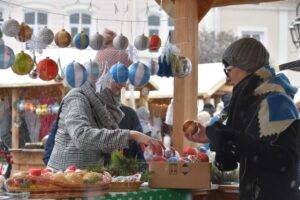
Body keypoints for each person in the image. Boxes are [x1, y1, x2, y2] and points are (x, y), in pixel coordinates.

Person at [185, 38, 300, 200]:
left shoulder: (276, 101)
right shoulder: (254, 100)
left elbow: (284, 160)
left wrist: (233, 137)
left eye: (228, 70)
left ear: (246, 66)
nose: (228, 78)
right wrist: (214, 137)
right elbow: (253, 153)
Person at [47, 31, 164, 171]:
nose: (124, 84)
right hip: (65, 181)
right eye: (120, 77)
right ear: (103, 74)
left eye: (126, 77)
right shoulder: (77, 98)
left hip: (90, 181)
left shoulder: (109, 106)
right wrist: (131, 135)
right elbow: (81, 136)